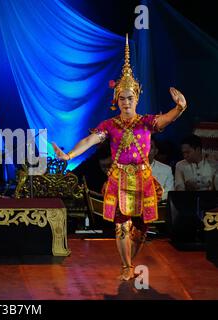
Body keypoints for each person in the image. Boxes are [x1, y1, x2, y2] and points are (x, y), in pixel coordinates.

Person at [52, 35, 188, 281]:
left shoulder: (146, 122)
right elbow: (90, 140)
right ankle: (126, 266)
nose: (126, 102)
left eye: (130, 98)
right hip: (119, 177)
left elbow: (165, 120)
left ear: (137, 98)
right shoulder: (110, 125)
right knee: (120, 223)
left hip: (143, 176)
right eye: (122, 98)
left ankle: (130, 260)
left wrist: (179, 108)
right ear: (116, 100)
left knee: (142, 228)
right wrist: (69, 154)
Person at [149, 137, 174, 201]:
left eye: (151, 147)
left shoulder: (166, 170)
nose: (147, 150)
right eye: (144, 147)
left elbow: (169, 193)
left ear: (156, 151)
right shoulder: (131, 168)